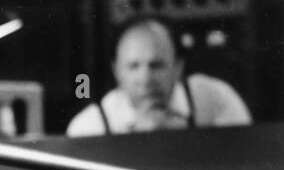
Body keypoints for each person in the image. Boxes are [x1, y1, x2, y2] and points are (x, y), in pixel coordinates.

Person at [66, 15, 251, 137]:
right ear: (117, 71)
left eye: (156, 65)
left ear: (178, 67)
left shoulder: (216, 99)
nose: (145, 80)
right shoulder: (89, 127)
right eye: (133, 67)